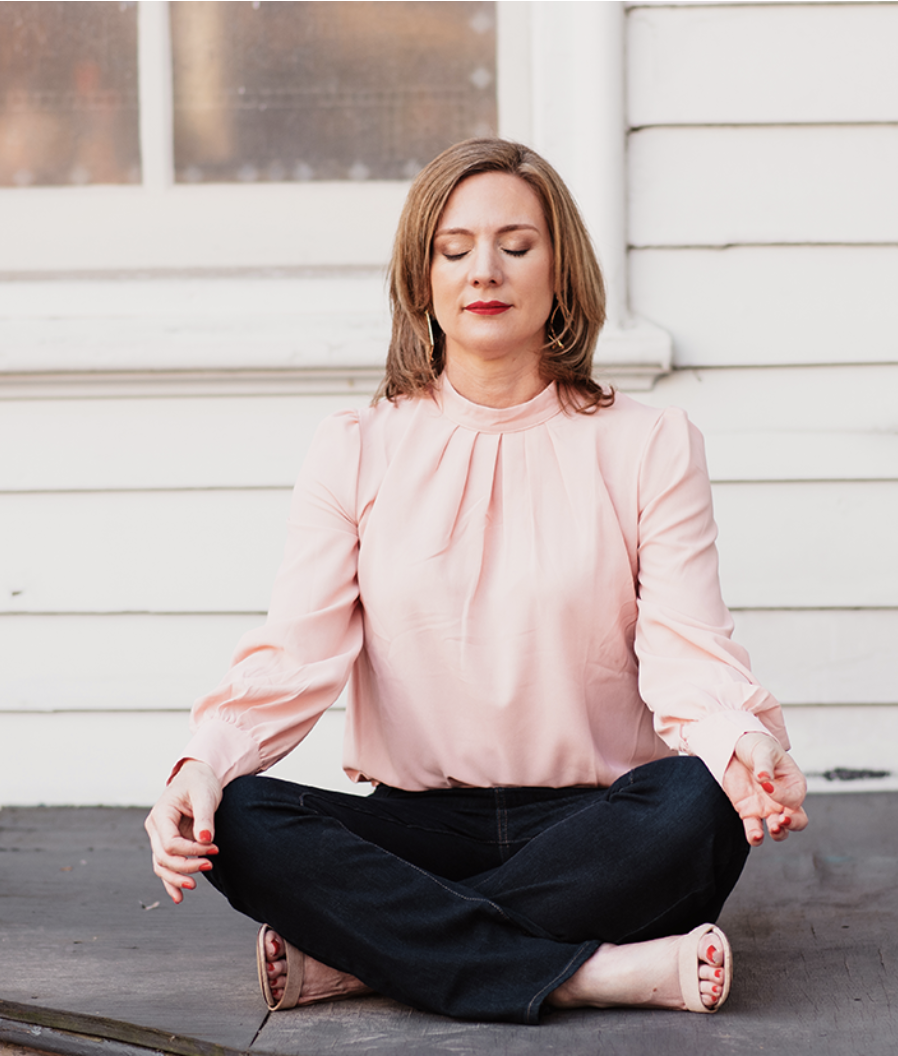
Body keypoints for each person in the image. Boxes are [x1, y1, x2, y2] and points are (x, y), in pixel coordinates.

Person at [145, 138, 808, 1025]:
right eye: (452, 250)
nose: (483, 271)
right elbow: (293, 659)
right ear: (421, 280)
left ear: (560, 272)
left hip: (598, 826)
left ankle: (376, 956)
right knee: (244, 819)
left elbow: (687, 652)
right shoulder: (357, 446)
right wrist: (200, 767)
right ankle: (593, 973)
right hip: (417, 830)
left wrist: (740, 742)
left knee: (699, 800)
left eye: (516, 245)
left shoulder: (650, 444)